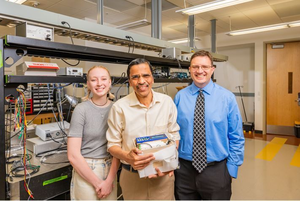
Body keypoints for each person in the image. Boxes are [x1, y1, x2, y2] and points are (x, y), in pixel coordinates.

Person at [174, 50, 245, 200]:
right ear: (190, 70)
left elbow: (236, 136)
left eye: (205, 67)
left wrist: (231, 169)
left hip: (217, 170)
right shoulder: (180, 97)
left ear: (212, 69)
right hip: (184, 171)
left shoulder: (227, 98)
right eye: (195, 67)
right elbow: (173, 132)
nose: (200, 71)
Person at [106, 58, 180, 200]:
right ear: (129, 81)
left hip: (163, 176)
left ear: (152, 78)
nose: (141, 81)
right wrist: (128, 156)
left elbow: (174, 136)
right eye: (135, 77)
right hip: (132, 176)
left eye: (146, 75)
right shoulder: (119, 107)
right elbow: (112, 145)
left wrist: (170, 162)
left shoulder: (166, 102)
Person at [67, 66, 120, 200]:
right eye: (94, 80)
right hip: (86, 170)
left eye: (103, 79)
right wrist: (98, 183)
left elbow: (118, 149)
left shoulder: (117, 108)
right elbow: (73, 155)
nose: (99, 83)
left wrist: (109, 181)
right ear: (88, 84)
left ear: (109, 82)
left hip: (111, 170)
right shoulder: (81, 110)